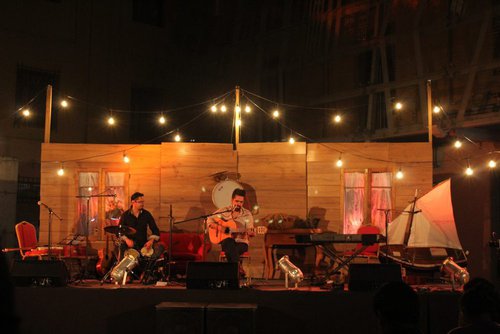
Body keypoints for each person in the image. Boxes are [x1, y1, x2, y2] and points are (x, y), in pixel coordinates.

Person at [118, 192, 164, 283]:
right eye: (140, 202)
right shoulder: (125, 215)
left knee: (160, 248)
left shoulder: (146, 214)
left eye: (143, 202)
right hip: (130, 244)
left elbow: (155, 230)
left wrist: (151, 240)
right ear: (133, 202)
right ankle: (126, 274)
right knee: (122, 246)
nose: (142, 204)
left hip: (143, 243)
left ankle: (145, 273)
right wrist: (127, 240)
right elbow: (119, 231)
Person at [208, 188, 254, 277]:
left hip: (241, 243)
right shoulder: (224, 211)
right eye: (237, 201)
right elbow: (209, 219)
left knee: (231, 250)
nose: (239, 204)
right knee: (229, 241)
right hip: (227, 241)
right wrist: (219, 227)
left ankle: (231, 272)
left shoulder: (247, 214)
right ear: (232, 200)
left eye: (241, 202)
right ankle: (238, 268)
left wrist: (251, 233)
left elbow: (250, 229)